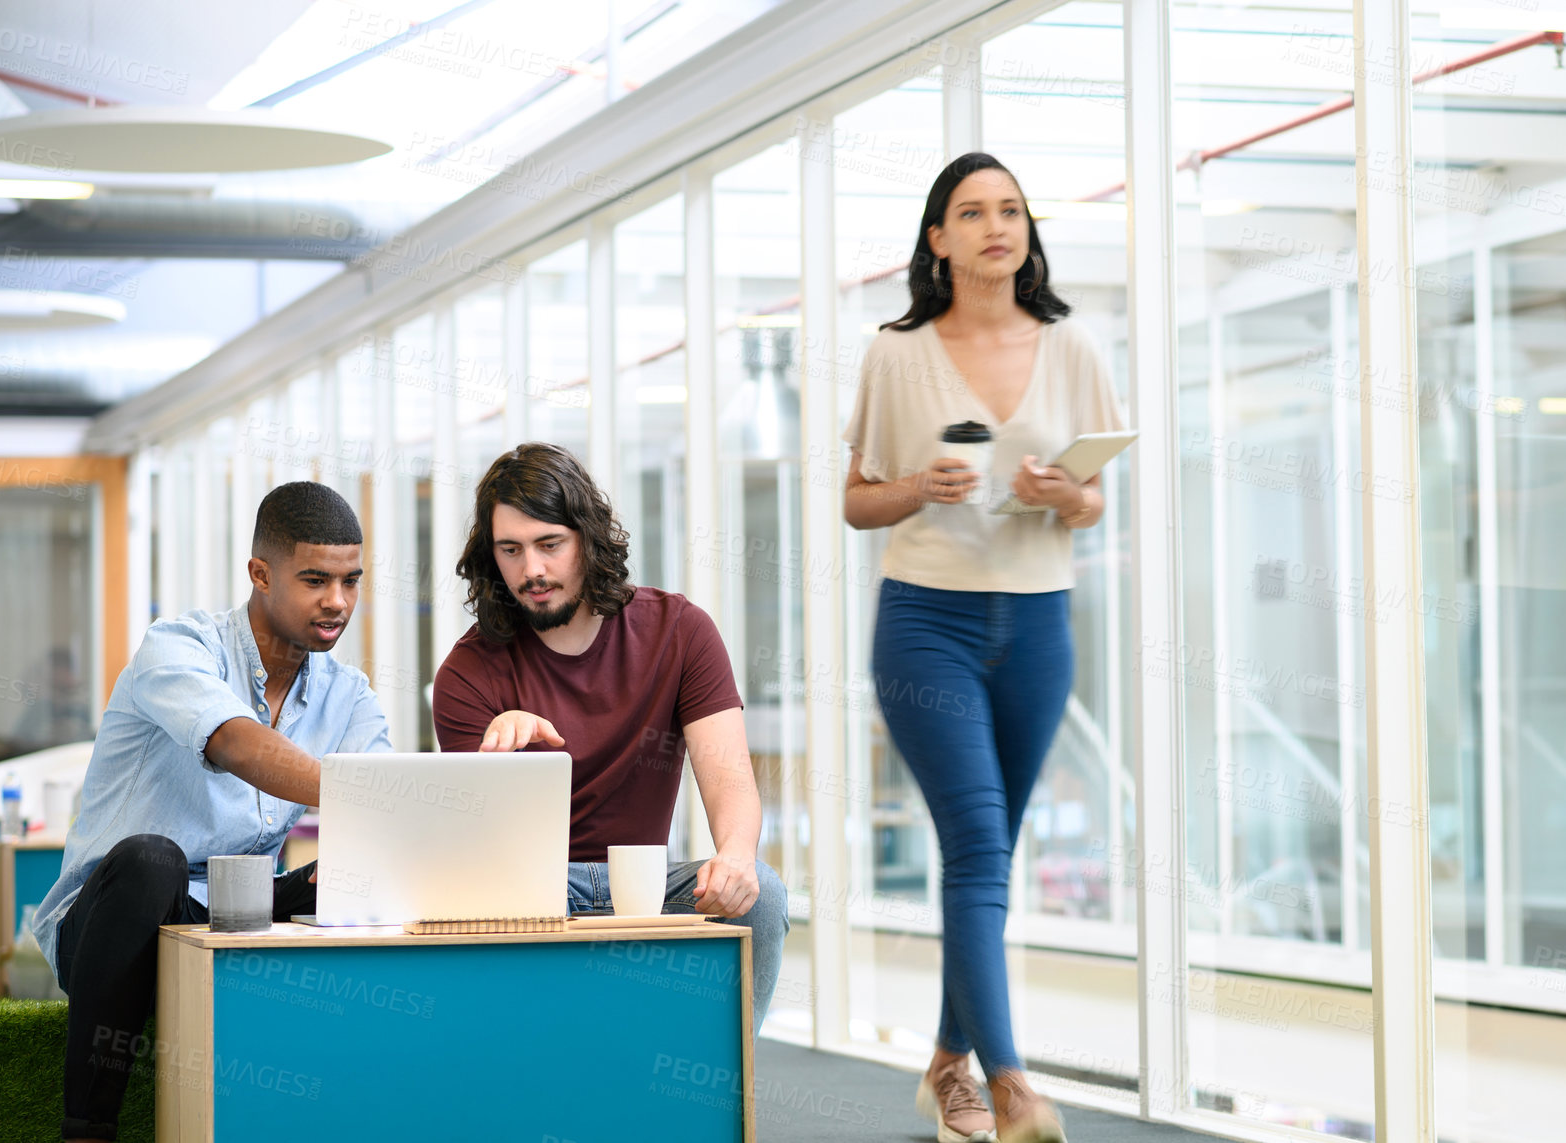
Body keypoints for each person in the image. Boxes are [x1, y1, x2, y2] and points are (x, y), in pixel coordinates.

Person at [842, 152, 1126, 1143]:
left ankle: (942, 1066)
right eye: (971, 212)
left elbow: (1093, 500)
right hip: (927, 624)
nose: (995, 226)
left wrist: (1067, 496)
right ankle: (1008, 1083)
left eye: (1010, 210)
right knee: (973, 842)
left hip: (1039, 623)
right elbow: (855, 500)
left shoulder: (1073, 345)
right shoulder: (895, 352)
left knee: (988, 856)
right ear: (938, 239)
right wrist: (920, 486)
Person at [32, 482, 390, 1143]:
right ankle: (86, 1128)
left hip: (234, 905)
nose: (337, 601)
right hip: (113, 914)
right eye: (315, 579)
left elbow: (384, 813)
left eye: (350, 580)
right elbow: (234, 743)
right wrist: (368, 793)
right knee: (152, 858)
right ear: (260, 573)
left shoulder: (350, 695)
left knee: (339, 877)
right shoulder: (177, 647)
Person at [431, 442, 788, 1037]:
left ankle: (725, 1093)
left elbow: (731, 782)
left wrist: (735, 856)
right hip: (534, 890)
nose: (532, 571)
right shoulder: (467, 672)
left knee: (765, 893)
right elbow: (480, 855)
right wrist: (497, 762)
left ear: (586, 539)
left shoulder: (680, 631)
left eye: (550, 544)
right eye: (510, 551)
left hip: (647, 882)